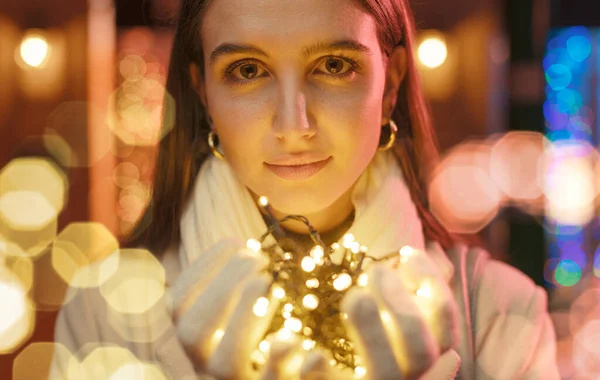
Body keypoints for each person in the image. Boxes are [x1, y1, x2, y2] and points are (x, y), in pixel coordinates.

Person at [51, 0, 561, 379]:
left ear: (392, 83)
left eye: (335, 66)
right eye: (247, 71)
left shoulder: (500, 315)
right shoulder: (105, 313)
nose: (294, 125)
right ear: (203, 92)